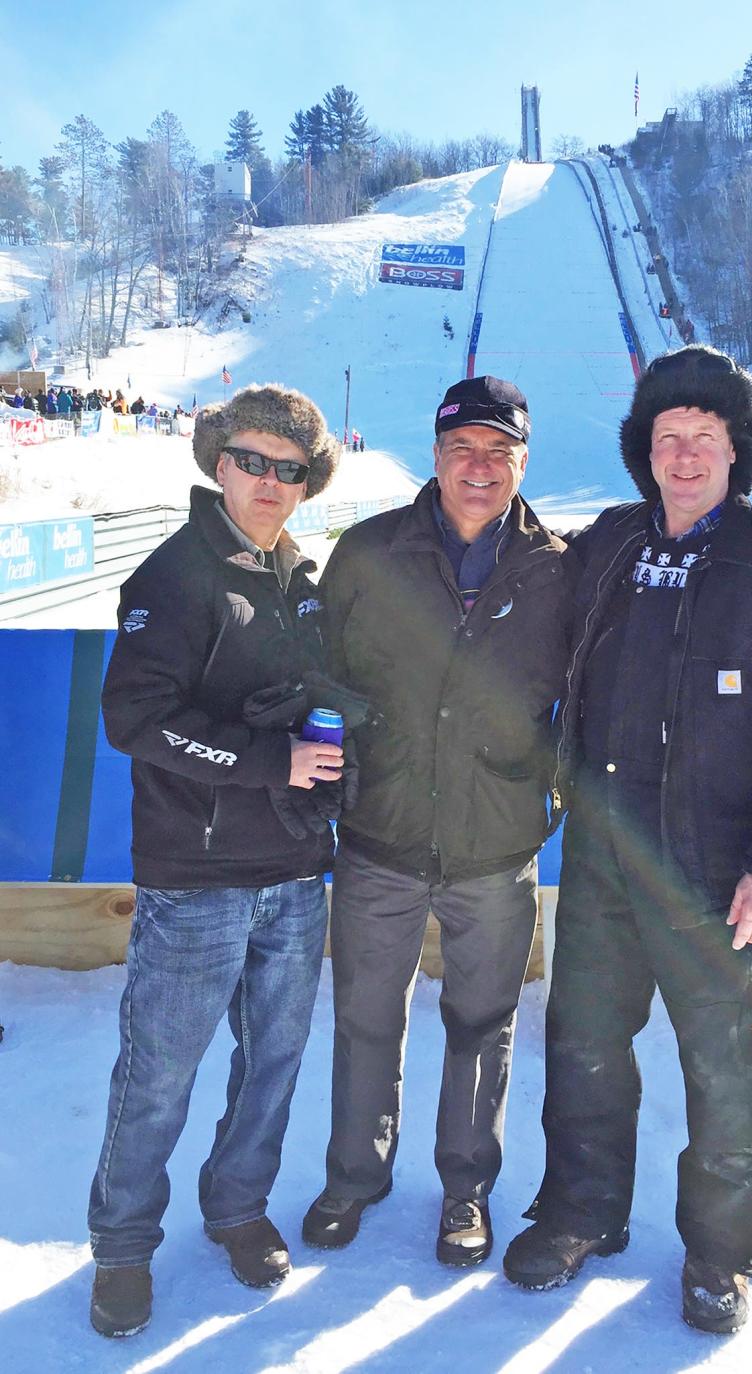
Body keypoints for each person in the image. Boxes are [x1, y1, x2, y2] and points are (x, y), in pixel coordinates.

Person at [502, 346, 752, 1334]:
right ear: (646, 453)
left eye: (706, 436)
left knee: (722, 1066)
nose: (687, 453)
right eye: (669, 437)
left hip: (717, 875)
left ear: (736, 452)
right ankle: (579, 1214)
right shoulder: (610, 546)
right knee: (582, 1047)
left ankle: (718, 1256)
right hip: (605, 858)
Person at [88, 384, 352, 1338]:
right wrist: (268, 759)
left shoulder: (298, 576)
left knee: (272, 1063)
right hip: (195, 880)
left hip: (292, 866)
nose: (269, 482)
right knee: (159, 1073)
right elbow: (135, 721)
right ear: (216, 462)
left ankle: (237, 1206)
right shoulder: (174, 574)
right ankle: (122, 1246)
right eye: (252, 461)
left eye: (290, 469)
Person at [302, 375, 577, 1270]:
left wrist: (553, 783)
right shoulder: (370, 552)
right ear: (435, 453)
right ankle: (354, 1176)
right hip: (380, 835)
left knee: (482, 1023)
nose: (481, 467)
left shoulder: (561, 568)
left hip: (495, 847)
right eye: (465, 448)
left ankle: (467, 1189)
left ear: (523, 463)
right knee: (366, 1017)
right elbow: (321, 679)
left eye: (501, 452)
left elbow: (589, 698)